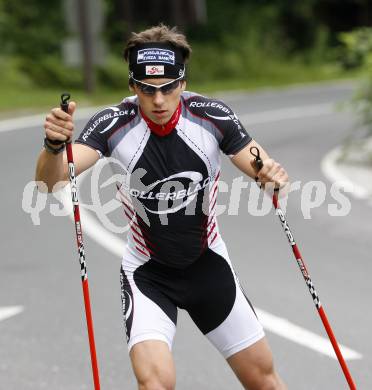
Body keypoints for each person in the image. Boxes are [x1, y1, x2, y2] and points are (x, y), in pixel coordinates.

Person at [35, 24, 288, 390]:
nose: (158, 100)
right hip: (149, 275)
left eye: (168, 87)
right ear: (132, 87)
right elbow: (49, 182)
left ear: (182, 83)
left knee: (263, 379)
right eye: (147, 90)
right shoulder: (113, 124)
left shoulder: (211, 116)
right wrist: (54, 146)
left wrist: (272, 177)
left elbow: (260, 166)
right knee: (155, 383)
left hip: (208, 266)